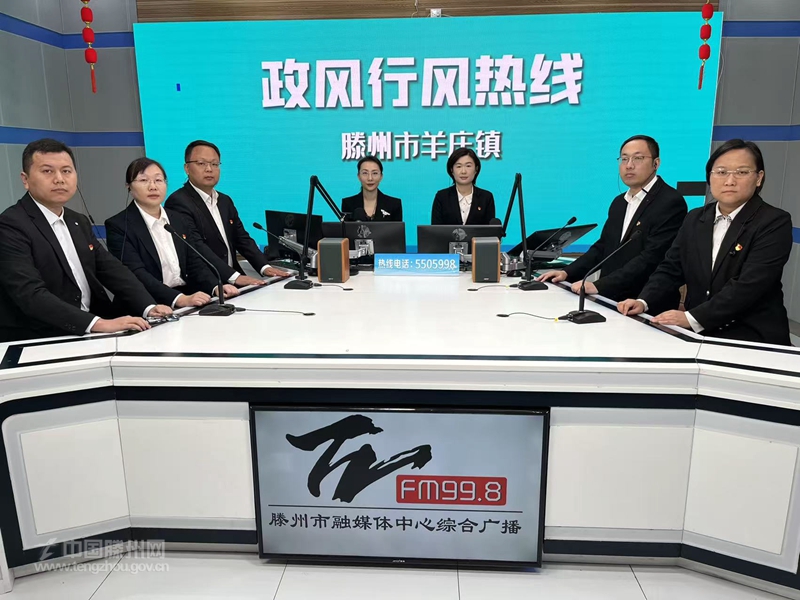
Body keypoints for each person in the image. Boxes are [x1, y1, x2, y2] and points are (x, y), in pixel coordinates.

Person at [618, 139, 793, 346]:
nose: (730, 181)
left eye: (741, 172)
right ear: (709, 177)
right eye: (721, 172)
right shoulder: (695, 218)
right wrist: (643, 301)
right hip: (698, 336)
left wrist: (692, 318)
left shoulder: (774, 222)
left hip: (751, 337)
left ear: (759, 178)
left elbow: (750, 286)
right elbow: (671, 268)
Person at [0, 139, 172, 342]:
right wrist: (98, 324)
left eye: (66, 171)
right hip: (42, 337)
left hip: (91, 329)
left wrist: (148, 306)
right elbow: (30, 294)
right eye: (47, 171)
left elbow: (111, 270)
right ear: (25, 179)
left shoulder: (77, 221)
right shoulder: (10, 225)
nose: (59, 179)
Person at [538, 135, 687, 310]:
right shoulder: (619, 202)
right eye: (624, 159)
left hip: (644, 302)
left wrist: (600, 286)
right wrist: (567, 272)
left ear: (656, 163)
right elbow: (603, 247)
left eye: (638, 158)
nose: (629, 165)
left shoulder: (670, 202)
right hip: (611, 299)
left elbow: (652, 258)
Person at [106, 158, 240, 309]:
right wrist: (179, 299)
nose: (153, 187)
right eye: (143, 180)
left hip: (187, 301)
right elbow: (136, 274)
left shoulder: (178, 219)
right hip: (146, 305)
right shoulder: (118, 226)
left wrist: (215, 286)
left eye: (158, 180)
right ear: (128, 186)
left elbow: (194, 262)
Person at [164, 140, 287, 287]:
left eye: (214, 164)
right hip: (206, 286)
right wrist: (234, 277)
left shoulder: (224, 201)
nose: (209, 169)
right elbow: (196, 246)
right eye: (201, 163)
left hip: (232, 281)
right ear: (187, 168)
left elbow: (241, 238)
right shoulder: (178, 202)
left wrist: (265, 267)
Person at [431, 148, 496, 225]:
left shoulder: (486, 197)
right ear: (451, 170)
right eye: (458, 166)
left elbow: (489, 230)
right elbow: (435, 230)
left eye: (468, 166)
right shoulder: (442, 197)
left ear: (476, 169)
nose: (463, 171)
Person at [342, 156, 402, 221]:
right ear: (358, 176)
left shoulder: (394, 204)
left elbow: (397, 227)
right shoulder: (348, 204)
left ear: (381, 176)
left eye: (374, 173)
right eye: (365, 173)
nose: (370, 178)